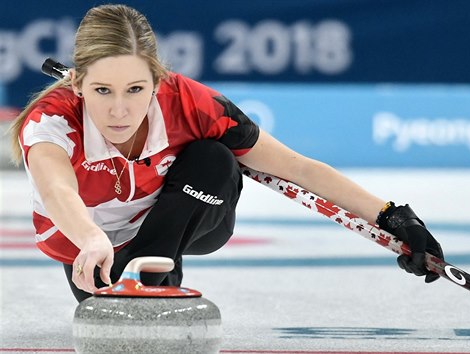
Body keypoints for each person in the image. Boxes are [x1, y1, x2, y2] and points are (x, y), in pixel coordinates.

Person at [9, 4, 444, 303]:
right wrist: (90, 239)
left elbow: (296, 167)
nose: (119, 110)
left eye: (136, 90)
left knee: (216, 158)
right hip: (89, 245)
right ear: (78, 84)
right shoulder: (51, 122)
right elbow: (58, 190)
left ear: (158, 83)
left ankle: (157, 279)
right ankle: (122, 273)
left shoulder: (192, 104)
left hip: (186, 222)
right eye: (102, 90)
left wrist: (393, 216)